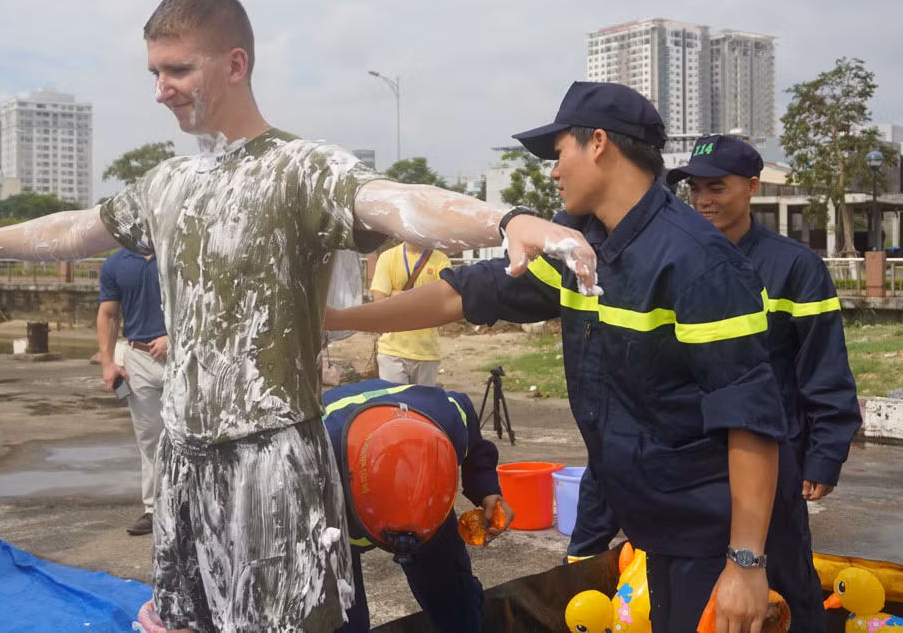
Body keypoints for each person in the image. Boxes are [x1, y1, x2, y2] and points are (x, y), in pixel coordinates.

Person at [0, 0, 597, 633]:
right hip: (188, 457)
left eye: (178, 70)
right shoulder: (168, 184)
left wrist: (507, 220)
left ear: (234, 64)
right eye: (154, 73)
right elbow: (78, 227)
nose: (162, 89)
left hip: (275, 459)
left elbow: (396, 201)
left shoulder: (301, 168)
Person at [326, 81, 789, 632]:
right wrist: (335, 321)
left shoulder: (696, 262)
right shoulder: (578, 243)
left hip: (713, 532)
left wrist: (746, 562)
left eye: (558, 153)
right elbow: (461, 292)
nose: (552, 171)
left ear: (598, 143)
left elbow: (751, 419)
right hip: (654, 521)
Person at [665, 134, 862, 630]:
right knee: (697, 594)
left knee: (785, 582)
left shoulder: (795, 266)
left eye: (717, 188)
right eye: (695, 190)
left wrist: (825, 454)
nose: (703, 201)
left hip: (774, 455)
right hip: (693, 460)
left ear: (751, 187)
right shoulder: (675, 262)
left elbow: (823, 365)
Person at [322, 379, 513, 632]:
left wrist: (487, 489)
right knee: (342, 620)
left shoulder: (450, 418)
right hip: (333, 523)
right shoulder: (314, 457)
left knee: (457, 600)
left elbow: (474, 443)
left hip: (429, 506)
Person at [97, 248, 168, 536]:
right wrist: (108, 362)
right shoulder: (114, 263)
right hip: (137, 357)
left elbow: (203, 304)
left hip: (182, 356)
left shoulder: (174, 251)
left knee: (191, 434)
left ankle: (194, 507)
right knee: (150, 439)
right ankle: (154, 510)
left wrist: (174, 336)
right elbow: (108, 314)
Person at [370, 242, 452, 385]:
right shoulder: (387, 257)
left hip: (426, 352)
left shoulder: (441, 260)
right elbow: (380, 303)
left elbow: (442, 304)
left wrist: (395, 295)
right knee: (394, 405)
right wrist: (425, 299)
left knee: (421, 406)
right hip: (391, 351)